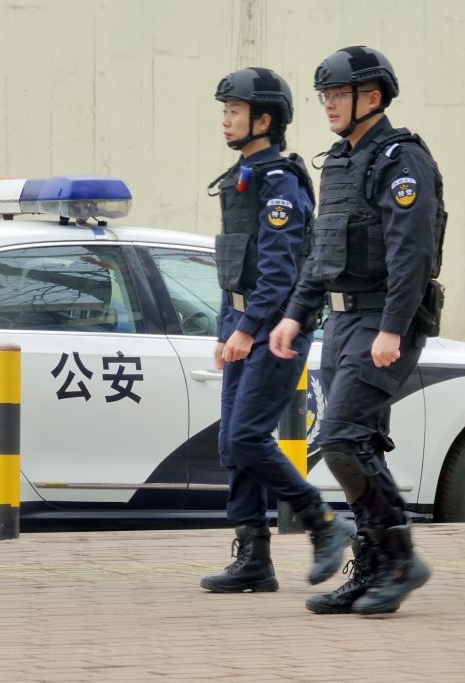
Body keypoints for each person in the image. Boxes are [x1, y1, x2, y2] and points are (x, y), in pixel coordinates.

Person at [270, 46, 446, 615]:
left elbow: (411, 252)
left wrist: (393, 328)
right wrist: (296, 313)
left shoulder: (402, 160)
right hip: (343, 320)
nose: (327, 104)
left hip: (384, 318)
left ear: (371, 97)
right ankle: (373, 564)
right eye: (323, 96)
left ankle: (399, 557)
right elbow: (323, 251)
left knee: (342, 436)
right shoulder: (342, 162)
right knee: (357, 443)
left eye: (337, 95)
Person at [200, 67, 354, 594]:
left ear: (264, 120)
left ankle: (325, 522)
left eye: (235, 111)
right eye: (224, 111)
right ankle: (253, 559)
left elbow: (280, 271)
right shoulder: (244, 177)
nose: (226, 119)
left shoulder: (279, 182)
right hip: (245, 324)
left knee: (246, 437)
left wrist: (248, 328)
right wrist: (230, 326)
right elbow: (239, 266)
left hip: (276, 328)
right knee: (232, 442)